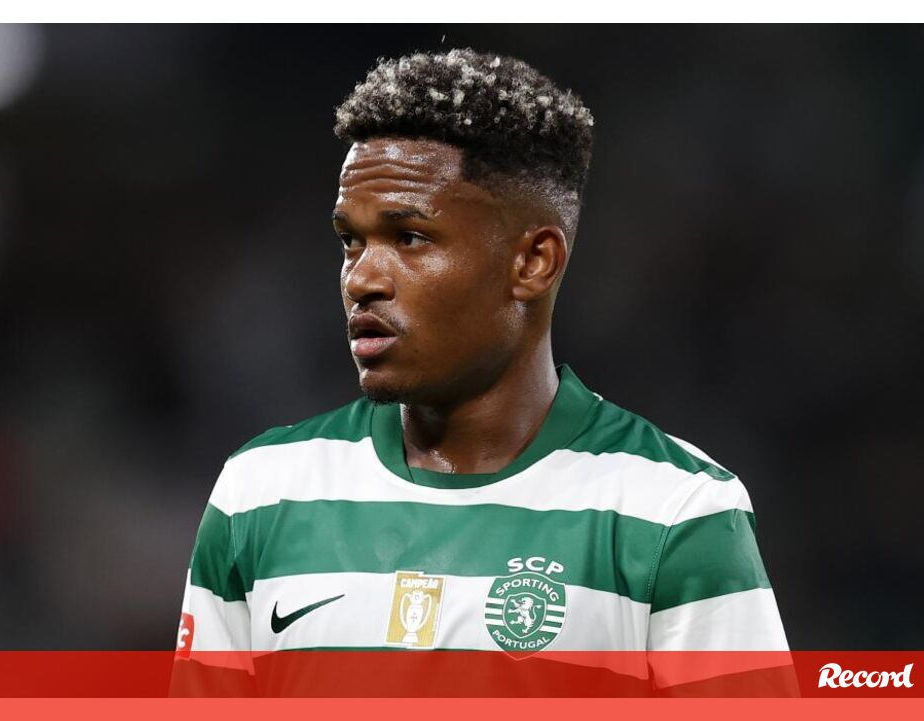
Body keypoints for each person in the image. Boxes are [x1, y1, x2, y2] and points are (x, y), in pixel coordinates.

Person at [171, 48, 792, 696]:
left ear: (533, 262)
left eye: (409, 238)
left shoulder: (676, 511)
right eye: (351, 240)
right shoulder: (259, 494)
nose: (361, 279)